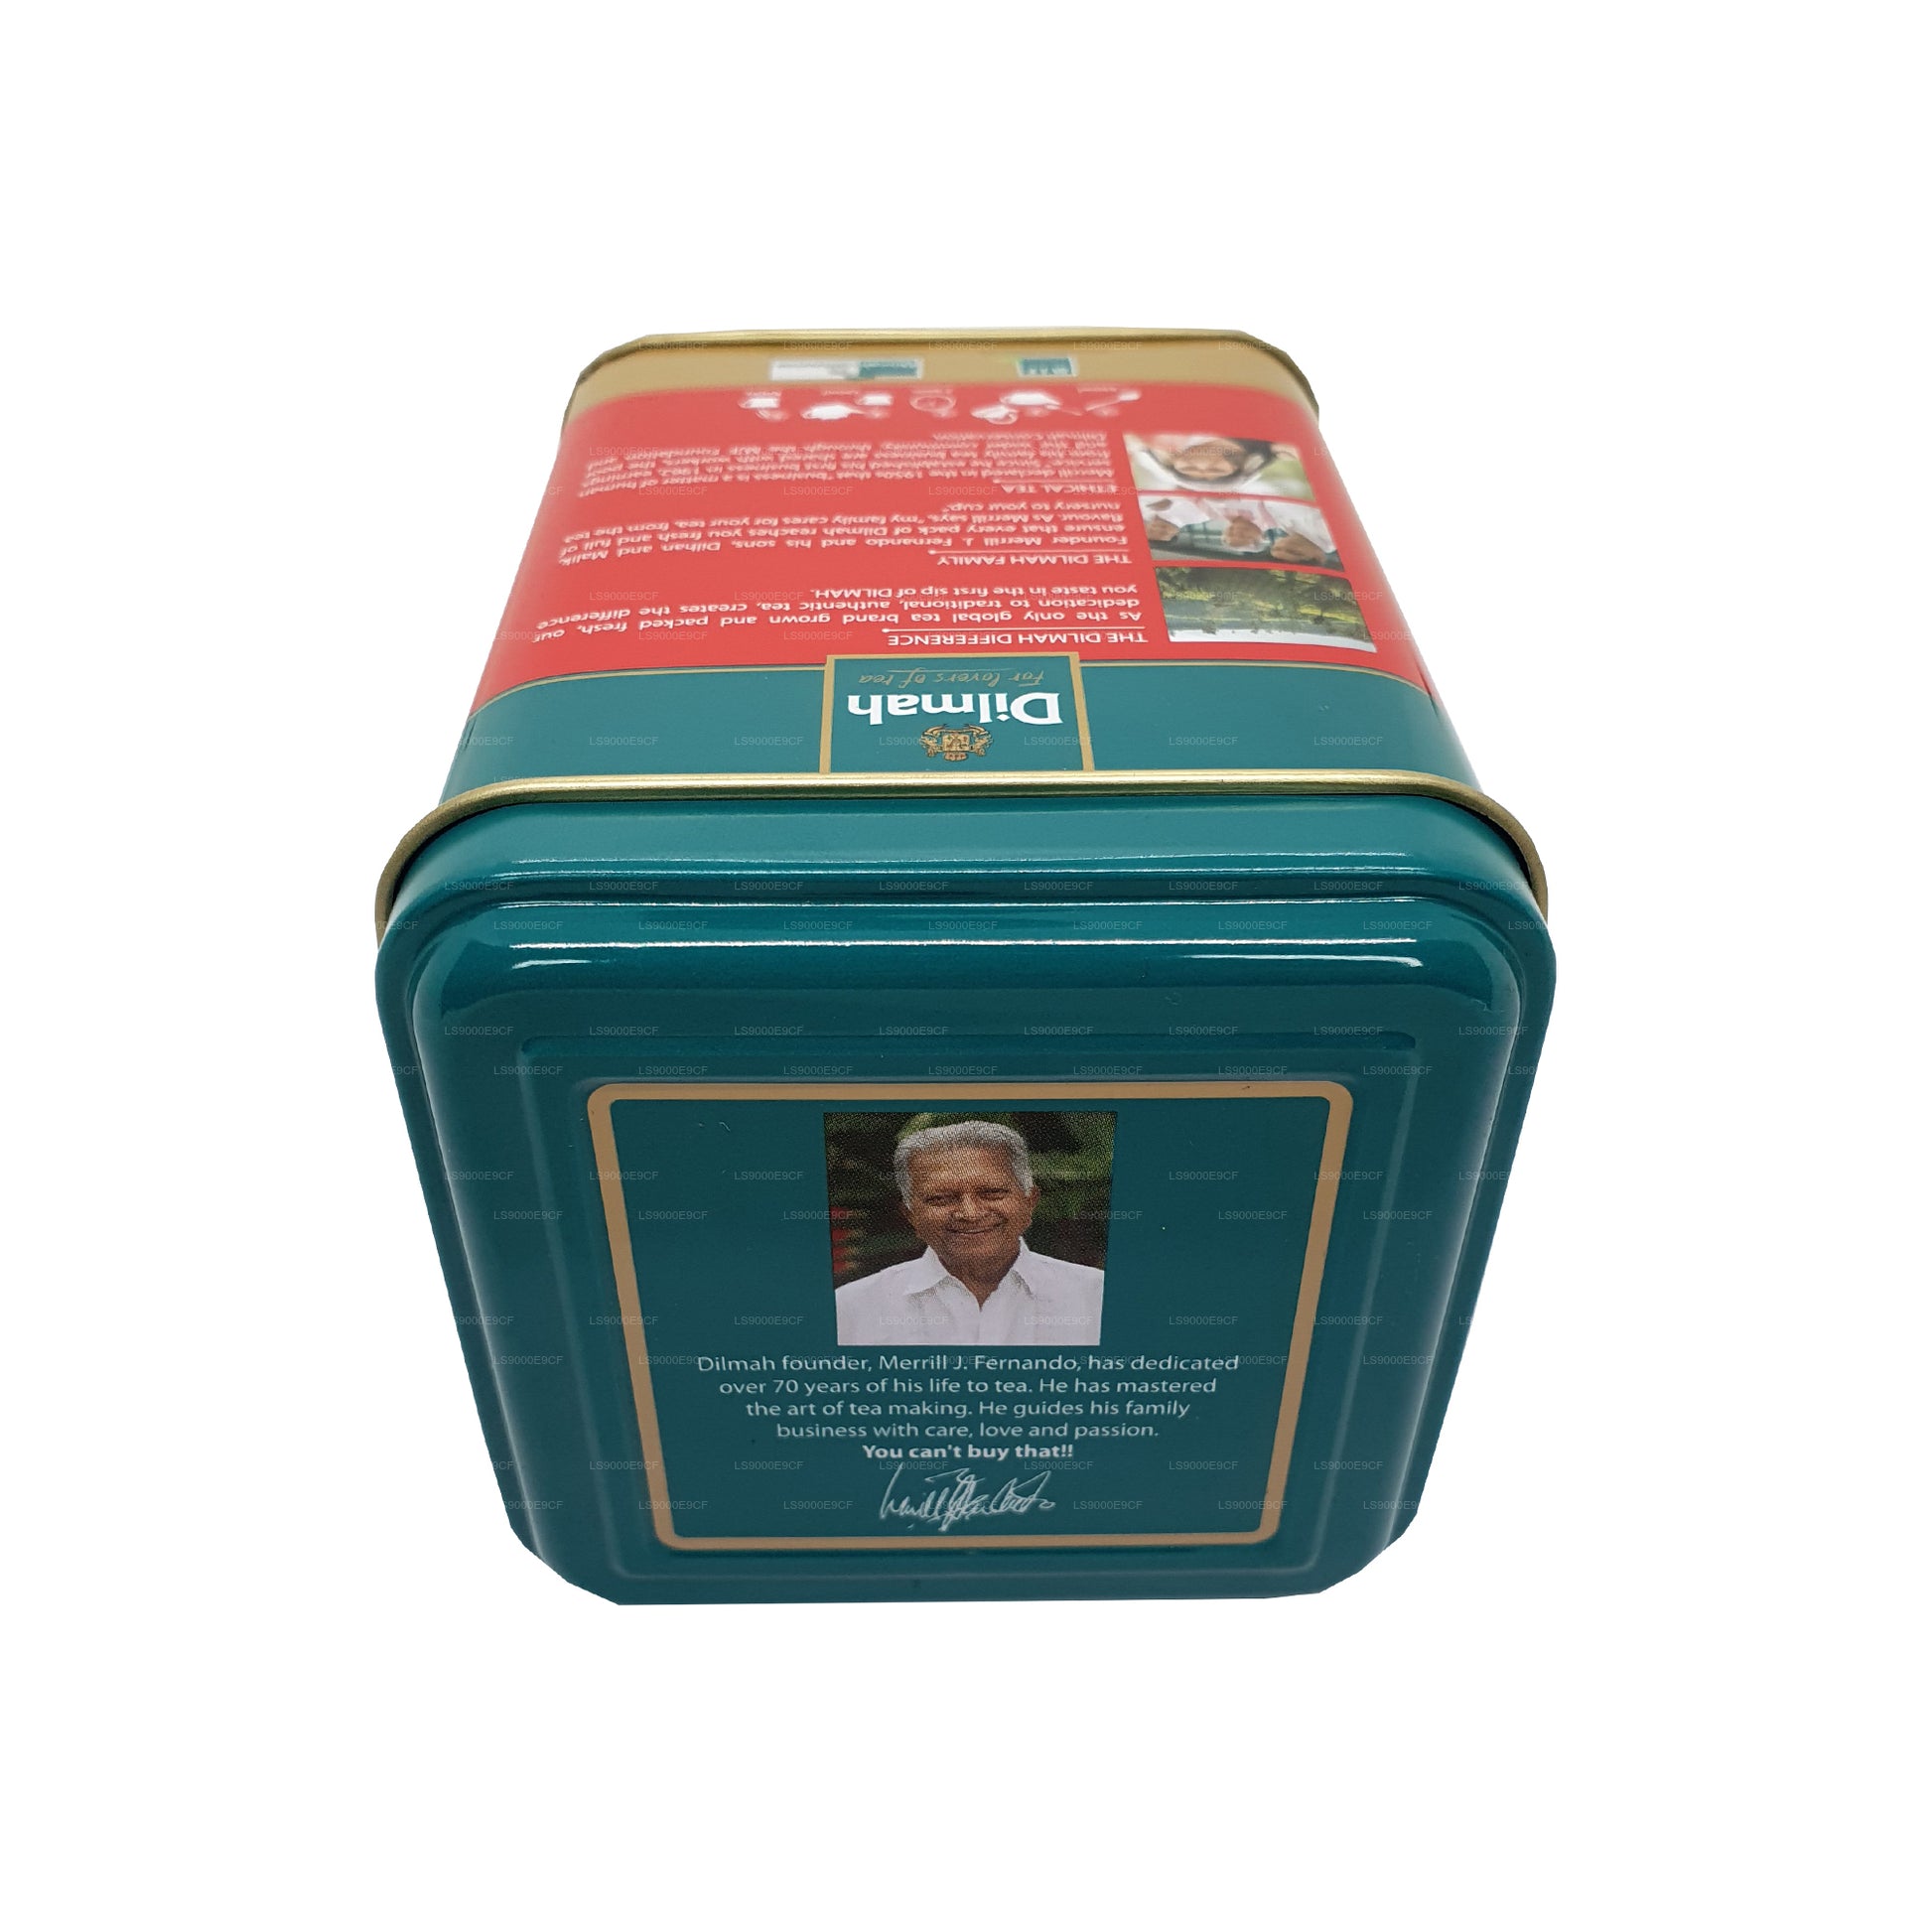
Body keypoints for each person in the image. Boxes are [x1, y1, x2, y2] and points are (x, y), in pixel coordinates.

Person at [835, 1121, 1105, 1345]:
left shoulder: (1098, 1296)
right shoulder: (852, 1308)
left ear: (1029, 1201)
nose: (970, 1213)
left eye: (992, 1193)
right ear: (910, 1215)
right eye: (941, 1198)